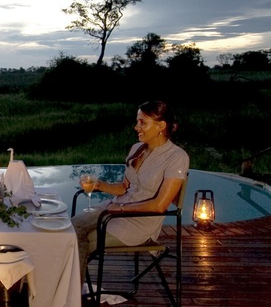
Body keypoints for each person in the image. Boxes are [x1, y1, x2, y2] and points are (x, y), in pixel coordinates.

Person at [71, 100, 189, 268]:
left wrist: (120, 209)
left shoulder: (177, 157)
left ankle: (74, 291)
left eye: (142, 122)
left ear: (161, 125)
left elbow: (159, 206)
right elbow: (124, 188)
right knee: (71, 228)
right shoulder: (137, 149)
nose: (136, 127)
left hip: (138, 222)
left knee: (81, 241)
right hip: (113, 209)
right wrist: (100, 185)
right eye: (137, 121)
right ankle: (71, 288)